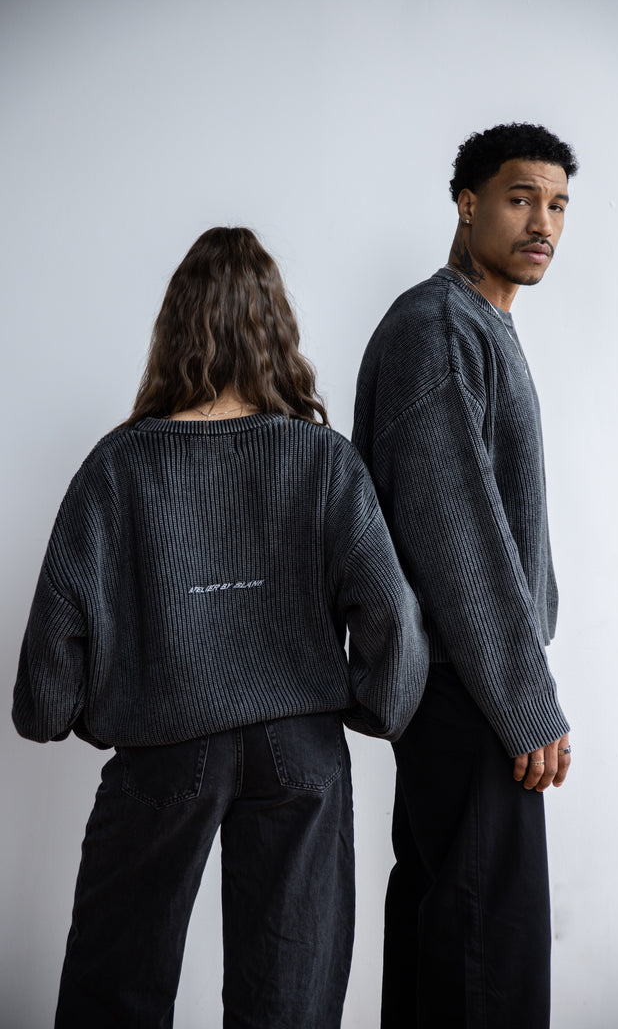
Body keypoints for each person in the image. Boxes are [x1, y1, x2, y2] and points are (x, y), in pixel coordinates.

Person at [13, 226, 428, 1029]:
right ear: (276, 329)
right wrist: (376, 706)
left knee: (113, 990)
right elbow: (389, 613)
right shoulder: (324, 461)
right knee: (289, 1003)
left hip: (163, 743)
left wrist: (57, 713)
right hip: (301, 747)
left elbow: (57, 635)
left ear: (173, 328)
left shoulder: (117, 467)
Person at [352, 123, 577, 1028]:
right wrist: (526, 701)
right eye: (521, 199)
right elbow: (458, 534)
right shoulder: (441, 326)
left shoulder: (476, 324)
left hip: (466, 683)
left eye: (558, 205)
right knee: (487, 951)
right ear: (467, 203)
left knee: (449, 933)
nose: (543, 223)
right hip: (468, 690)